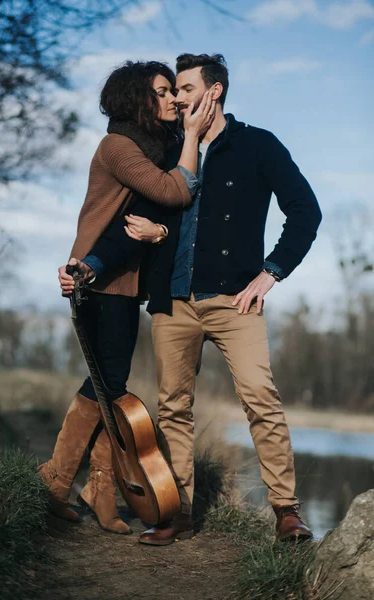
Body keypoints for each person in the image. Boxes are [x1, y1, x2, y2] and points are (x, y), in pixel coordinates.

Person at [62, 53, 322, 545]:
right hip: (172, 302)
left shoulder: (258, 146)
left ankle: (286, 510)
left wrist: (271, 273)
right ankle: (175, 513)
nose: (176, 98)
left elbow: (306, 212)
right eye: (173, 91)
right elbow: (128, 227)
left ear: (213, 92)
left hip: (235, 302)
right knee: (173, 408)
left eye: (183, 89)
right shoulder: (167, 154)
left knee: (261, 401)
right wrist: (91, 264)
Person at [40, 60, 215, 534]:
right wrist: (194, 137)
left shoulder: (153, 147)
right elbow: (172, 191)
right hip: (96, 274)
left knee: (111, 383)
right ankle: (58, 480)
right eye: (161, 92)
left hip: (118, 277)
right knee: (106, 382)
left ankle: (97, 487)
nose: (171, 100)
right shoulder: (119, 146)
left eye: (172, 92)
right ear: (137, 98)